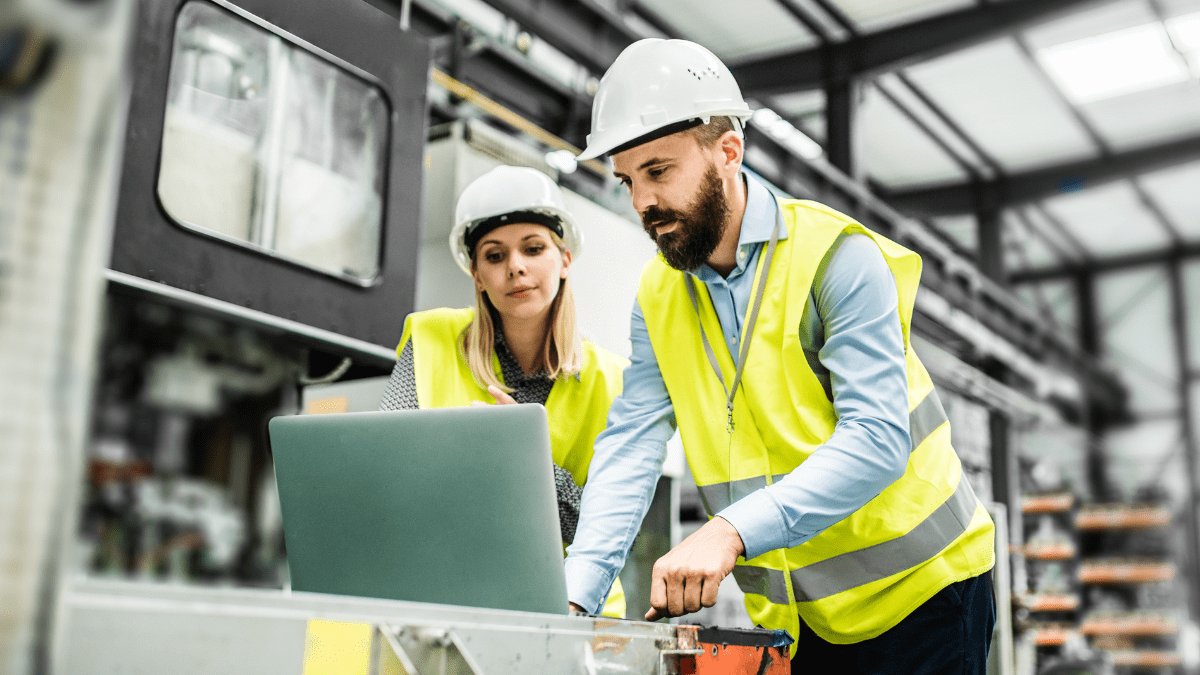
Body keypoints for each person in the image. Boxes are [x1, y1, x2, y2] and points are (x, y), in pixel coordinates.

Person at [564, 39, 996, 673]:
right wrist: (578, 597)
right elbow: (632, 442)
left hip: (928, 593)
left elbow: (878, 437)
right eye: (628, 180)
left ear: (728, 152)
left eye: (659, 172)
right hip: (805, 618)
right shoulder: (658, 296)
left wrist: (729, 532)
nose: (641, 204)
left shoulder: (837, 259)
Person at [379, 165, 627, 618]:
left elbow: (602, 526)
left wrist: (523, 456)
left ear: (564, 259)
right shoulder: (431, 339)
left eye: (533, 249)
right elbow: (387, 474)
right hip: (448, 597)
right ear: (476, 275)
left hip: (573, 610)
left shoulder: (612, 380)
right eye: (494, 256)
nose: (516, 267)